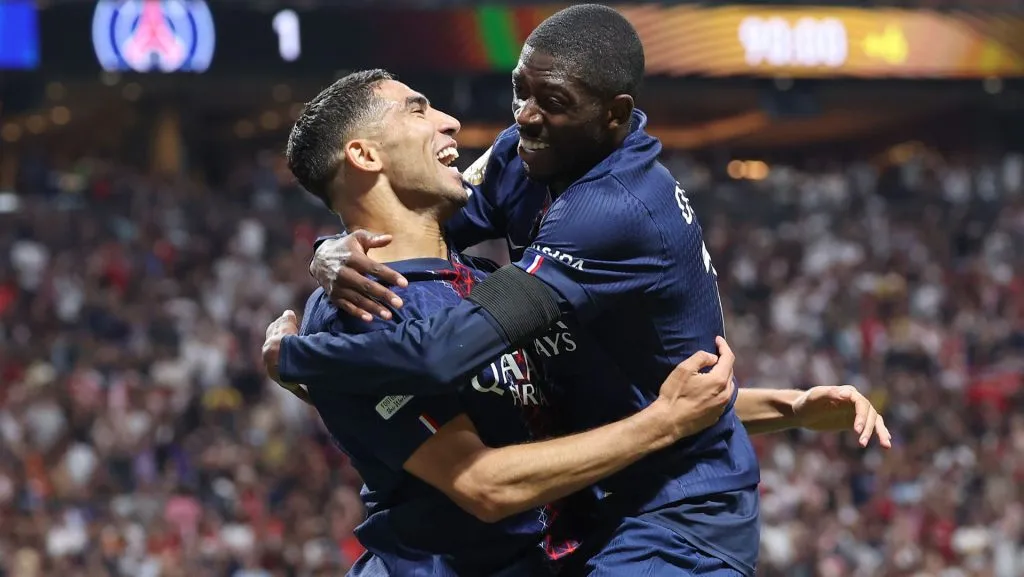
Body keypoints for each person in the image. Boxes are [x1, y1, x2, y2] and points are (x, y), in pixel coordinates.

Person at [268, 6, 890, 576]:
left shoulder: (607, 212)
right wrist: (328, 253)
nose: (520, 117)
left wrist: (295, 361)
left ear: (613, 114)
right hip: (562, 533)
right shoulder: (510, 173)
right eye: (520, 91)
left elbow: (445, 351)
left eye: (553, 101)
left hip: (676, 522)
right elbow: (407, 224)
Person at [278, 69, 746, 577]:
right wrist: (664, 423)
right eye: (417, 110)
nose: (450, 122)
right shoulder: (363, 309)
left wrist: (787, 404)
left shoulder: (484, 285)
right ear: (365, 155)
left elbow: (608, 407)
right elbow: (485, 485)